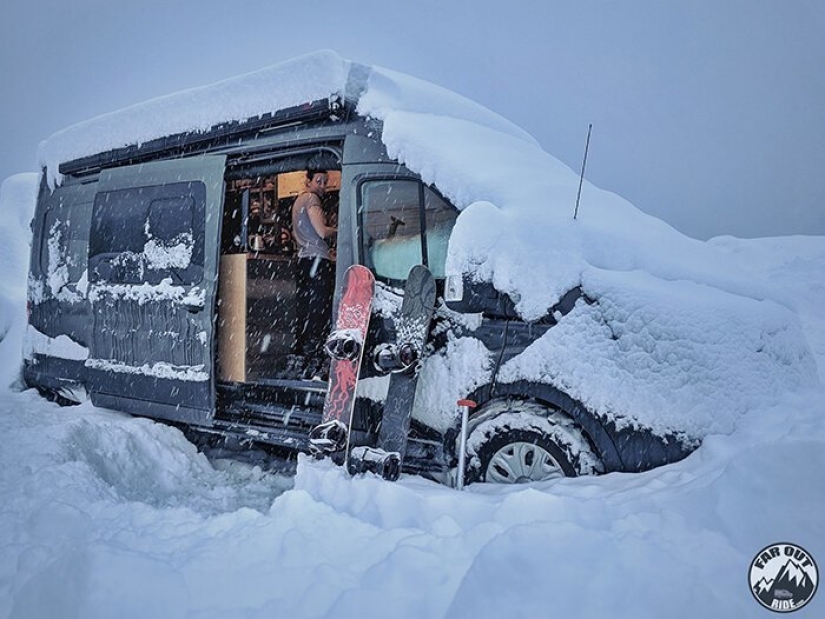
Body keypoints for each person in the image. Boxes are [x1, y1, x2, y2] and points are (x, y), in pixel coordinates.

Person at [291, 169, 337, 378]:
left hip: (304, 259)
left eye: (325, 182)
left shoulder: (298, 201)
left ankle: (301, 357)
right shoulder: (311, 199)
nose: (323, 186)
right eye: (319, 181)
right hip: (318, 260)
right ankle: (316, 360)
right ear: (308, 181)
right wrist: (340, 228)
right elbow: (321, 231)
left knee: (306, 309)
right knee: (319, 309)